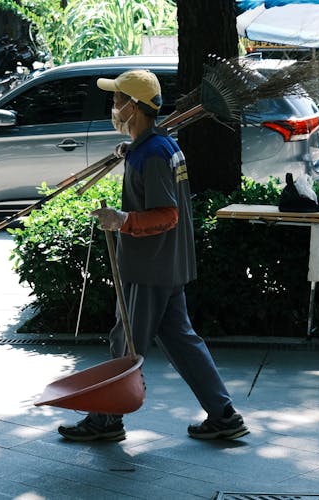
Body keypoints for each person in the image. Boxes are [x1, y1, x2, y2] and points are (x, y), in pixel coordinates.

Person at [57, 69, 249, 442]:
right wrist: (132, 148)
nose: (112, 106)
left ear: (133, 106)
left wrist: (121, 220)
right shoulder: (156, 145)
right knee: (181, 339)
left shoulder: (154, 154)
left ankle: (107, 420)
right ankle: (223, 414)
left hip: (149, 267)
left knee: (124, 342)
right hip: (165, 264)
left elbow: (167, 214)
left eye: (116, 100)